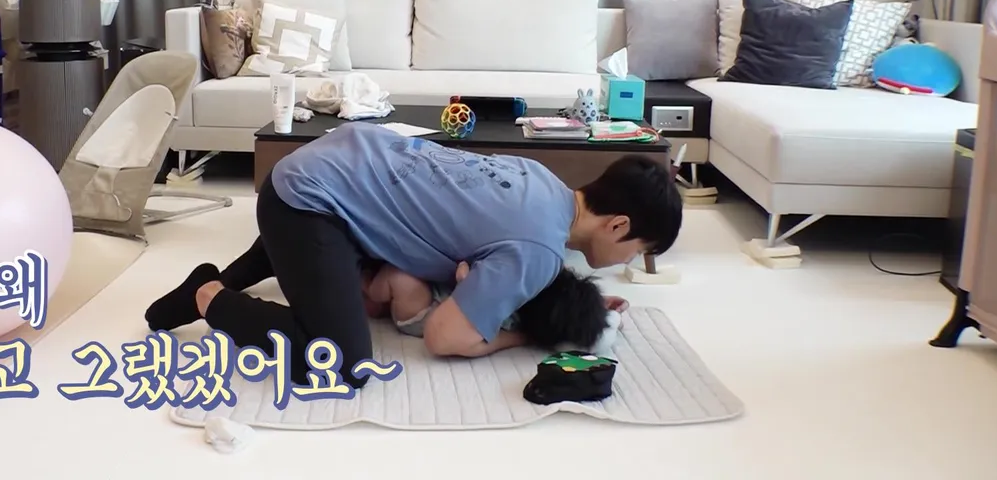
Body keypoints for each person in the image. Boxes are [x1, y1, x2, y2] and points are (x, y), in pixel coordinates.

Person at [144, 122, 682, 388]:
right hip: (308, 201)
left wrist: (579, 305)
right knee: (343, 363)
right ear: (618, 225)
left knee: (330, 239)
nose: (629, 261)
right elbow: (445, 337)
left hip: (340, 156)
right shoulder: (538, 252)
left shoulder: (541, 179)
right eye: (638, 250)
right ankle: (211, 296)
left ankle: (217, 282)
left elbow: (503, 245)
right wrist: (533, 334)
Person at [366, 260, 612, 350]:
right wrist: (603, 309)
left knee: (398, 276)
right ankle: (382, 303)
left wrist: (466, 282)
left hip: (426, 315)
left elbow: (472, 312)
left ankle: (367, 291)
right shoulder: (537, 312)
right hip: (435, 293)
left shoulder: (507, 319)